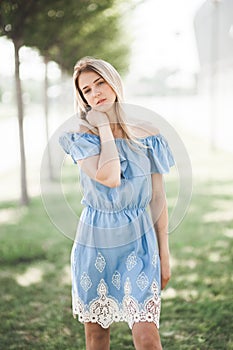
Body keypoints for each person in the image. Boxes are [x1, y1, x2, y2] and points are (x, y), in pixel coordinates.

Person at [59, 56, 175, 350]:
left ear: (114, 82)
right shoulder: (80, 135)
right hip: (95, 240)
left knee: (146, 335)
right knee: (97, 334)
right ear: (82, 97)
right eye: (86, 90)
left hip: (140, 243)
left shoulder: (149, 134)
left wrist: (164, 252)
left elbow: (158, 198)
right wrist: (104, 127)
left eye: (99, 83)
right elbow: (109, 176)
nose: (95, 93)